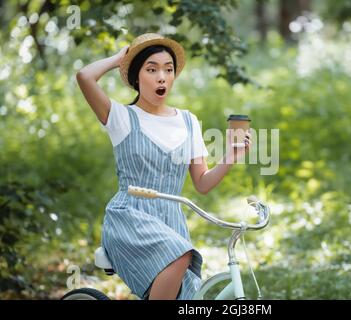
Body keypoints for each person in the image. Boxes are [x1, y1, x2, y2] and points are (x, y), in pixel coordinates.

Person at [76, 33, 252, 300]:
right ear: (137, 77)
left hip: (172, 224)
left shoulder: (188, 121)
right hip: (130, 218)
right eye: (152, 69)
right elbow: (84, 77)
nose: (162, 76)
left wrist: (232, 155)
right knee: (180, 254)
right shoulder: (122, 117)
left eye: (168, 70)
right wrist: (119, 59)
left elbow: (202, 183)